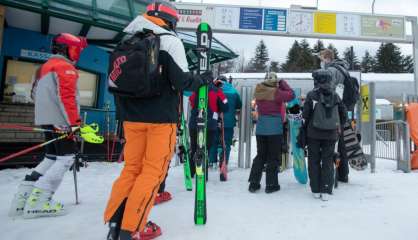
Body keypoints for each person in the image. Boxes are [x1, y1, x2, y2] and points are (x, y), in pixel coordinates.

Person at [103, 2, 213, 240]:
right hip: (160, 119)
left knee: (131, 169)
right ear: (170, 21)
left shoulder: (127, 41)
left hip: (130, 118)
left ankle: (116, 222)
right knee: (152, 173)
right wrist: (203, 79)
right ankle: (130, 229)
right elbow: (183, 83)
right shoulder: (170, 41)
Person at [8, 33, 87, 218]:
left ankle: (22, 199)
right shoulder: (65, 67)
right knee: (66, 158)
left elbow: (33, 95)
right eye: (77, 49)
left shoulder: (43, 68)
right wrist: (75, 124)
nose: (78, 54)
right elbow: (67, 98)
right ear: (68, 49)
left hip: (45, 119)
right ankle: (39, 202)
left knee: (51, 157)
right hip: (61, 120)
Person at [302, 69, 347, 201]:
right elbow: (343, 115)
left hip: (313, 134)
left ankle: (315, 189)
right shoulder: (336, 96)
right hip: (331, 134)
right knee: (328, 161)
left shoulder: (312, 95)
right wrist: (336, 126)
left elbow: (305, 114)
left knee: (313, 160)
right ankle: (326, 189)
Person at [248, 73, 294, 194]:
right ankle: (271, 184)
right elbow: (291, 95)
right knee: (273, 157)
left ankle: (254, 183)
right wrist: (283, 84)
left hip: (261, 128)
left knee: (260, 155)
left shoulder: (258, 90)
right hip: (274, 130)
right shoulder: (276, 93)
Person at [319, 49, 351, 183]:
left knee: (332, 144)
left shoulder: (332, 71)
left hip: (334, 112)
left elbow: (328, 91)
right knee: (342, 144)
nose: (321, 62)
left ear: (327, 58)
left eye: (322, 59)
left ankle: (333, 176)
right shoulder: (343, 69)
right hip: (343, 110)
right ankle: (343, 174)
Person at [189, 78, 228, 176]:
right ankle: (202, 173)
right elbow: (225, 106)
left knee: (194, 147)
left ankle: (191, 171)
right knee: (205, 148)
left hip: (194, 122)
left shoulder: (196, 89)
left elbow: (191, 101)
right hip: (210, 124)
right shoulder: (217, 91)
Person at [217, 75, 242, 169]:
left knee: (215, 141)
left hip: (216, 121)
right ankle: (224, 162)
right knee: (227, 143)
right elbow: (239, 105)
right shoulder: (234, 91)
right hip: (229, 122)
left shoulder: (214, 90)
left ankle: (213, 161)